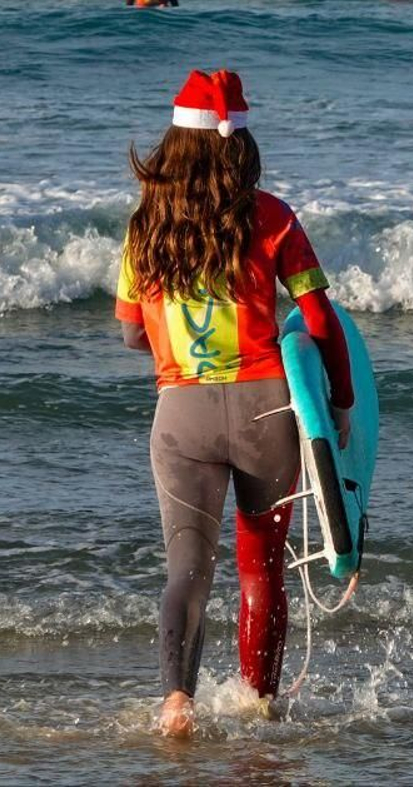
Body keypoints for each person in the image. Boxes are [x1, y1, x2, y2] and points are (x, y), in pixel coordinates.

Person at [117, 68, 354, 737]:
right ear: (241, 144)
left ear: (174, 141)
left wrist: (177, 350)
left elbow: (132, 330)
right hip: (266, 413)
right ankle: (260, 703)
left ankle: (176, 705)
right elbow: (318, 320)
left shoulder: (145, 224)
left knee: (187, 568)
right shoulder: (273, 217)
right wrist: (339, 401)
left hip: (181, 413)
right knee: (261, 571)